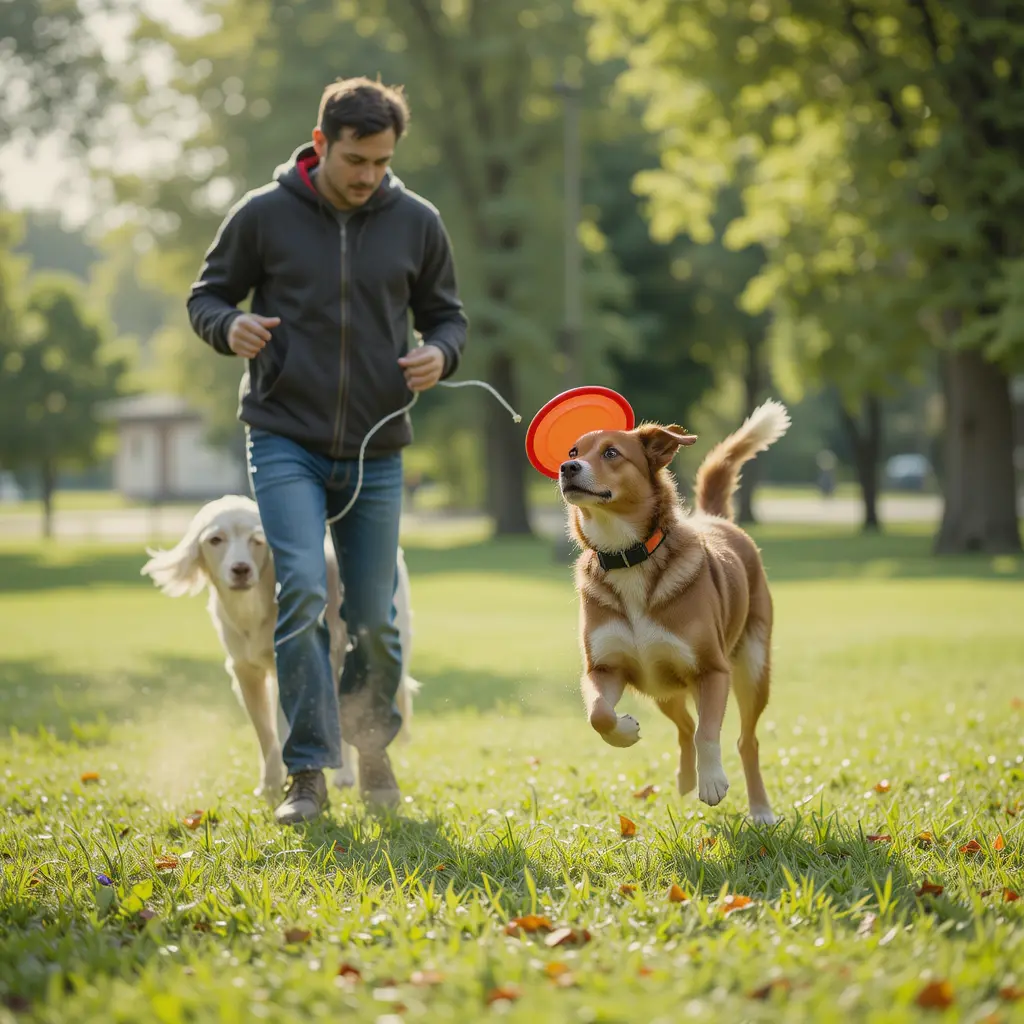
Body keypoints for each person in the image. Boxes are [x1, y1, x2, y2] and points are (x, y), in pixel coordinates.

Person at [186, 77, 468, 824]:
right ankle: (307, 770)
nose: (368, 176)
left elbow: (448, 317)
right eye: (355, 159)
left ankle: (371, 748)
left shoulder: (417, 222)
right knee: (303, 590)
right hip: (285, 438)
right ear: (321, 145)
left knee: (373, 613)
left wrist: (440, 353)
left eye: (381, 161)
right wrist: (229, 328)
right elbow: (206, 297)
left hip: (377, 448)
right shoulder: (263, 215)